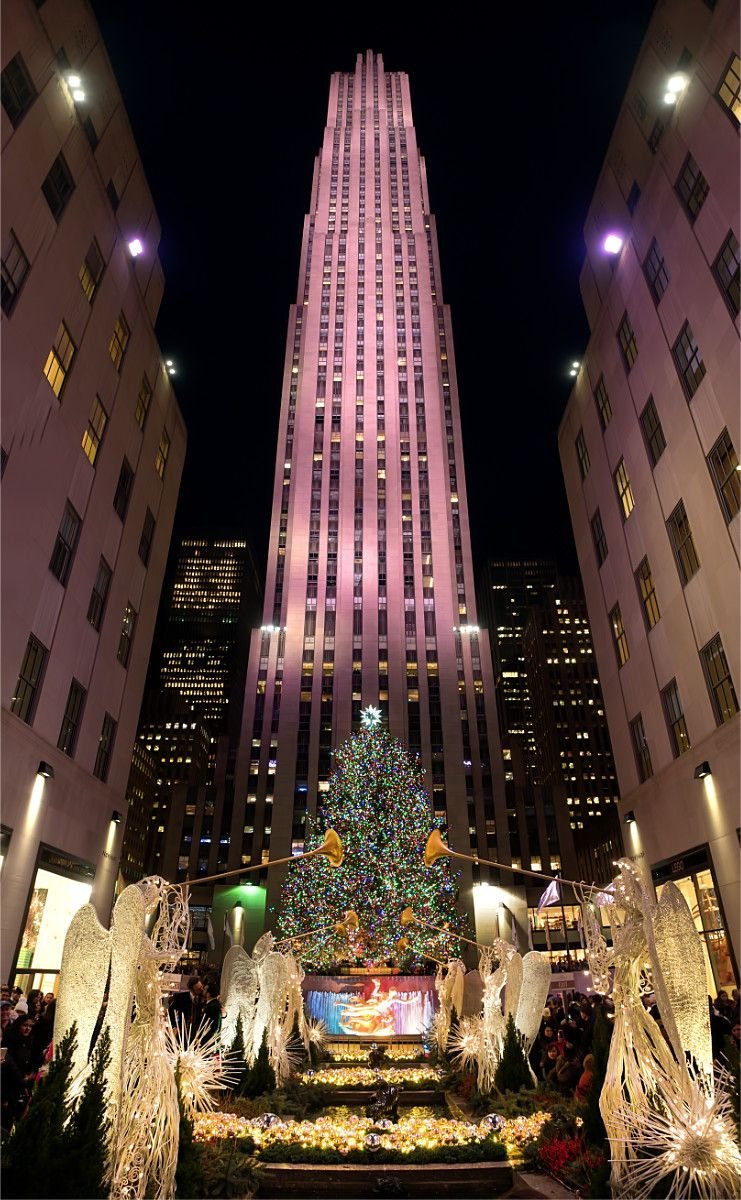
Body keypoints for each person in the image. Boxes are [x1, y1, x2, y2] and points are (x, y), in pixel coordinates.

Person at [201, 975, 222, 1045]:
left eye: (204, 990)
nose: (202, 991)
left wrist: (203, 1039)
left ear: (208, 994)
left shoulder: (214, 1006)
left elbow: (215, 1027)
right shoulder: (209, 1004)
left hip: (206, 1042)